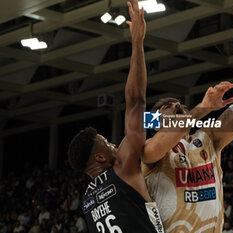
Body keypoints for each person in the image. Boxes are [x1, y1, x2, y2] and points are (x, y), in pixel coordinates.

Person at [142, 19, 233, 232]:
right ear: (156, 124)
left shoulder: (208, 139)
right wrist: (204, 108)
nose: (175, 104)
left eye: (178, 104)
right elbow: (160, 133)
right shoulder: (150, 151)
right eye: (167, 108)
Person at [67, 1, 164, 232]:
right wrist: (138, 42)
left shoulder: (88, 202)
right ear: (99, 159)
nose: (114, 146)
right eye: (108, 144)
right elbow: (135, 103)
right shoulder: (122, 169)